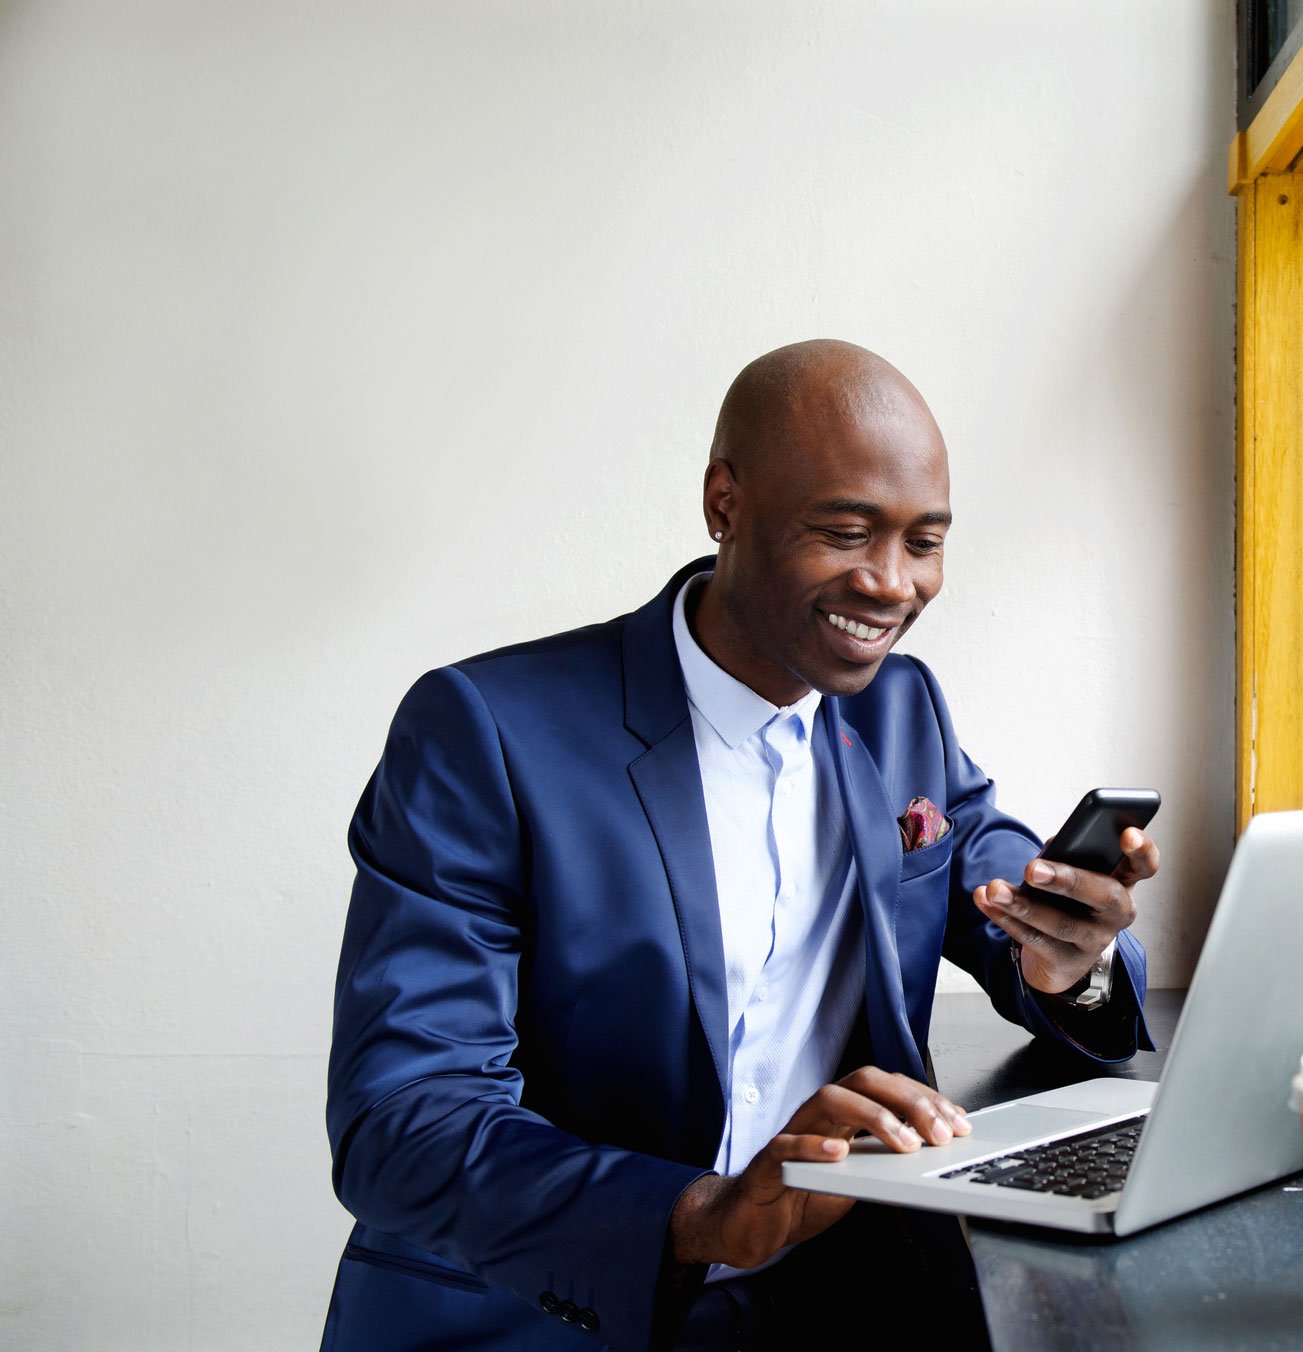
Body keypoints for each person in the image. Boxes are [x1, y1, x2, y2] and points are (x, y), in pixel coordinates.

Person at [322, 340, 1160, 1351]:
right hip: (539, 1313)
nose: (891, 582)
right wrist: (699, 1215)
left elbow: (1015, 893)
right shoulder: (485, 731)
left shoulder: (902, 712)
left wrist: (1073, 956)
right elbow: (403, 1117)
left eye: (924, 541)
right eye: (845, 530)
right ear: (725, 502)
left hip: (828, 1301)